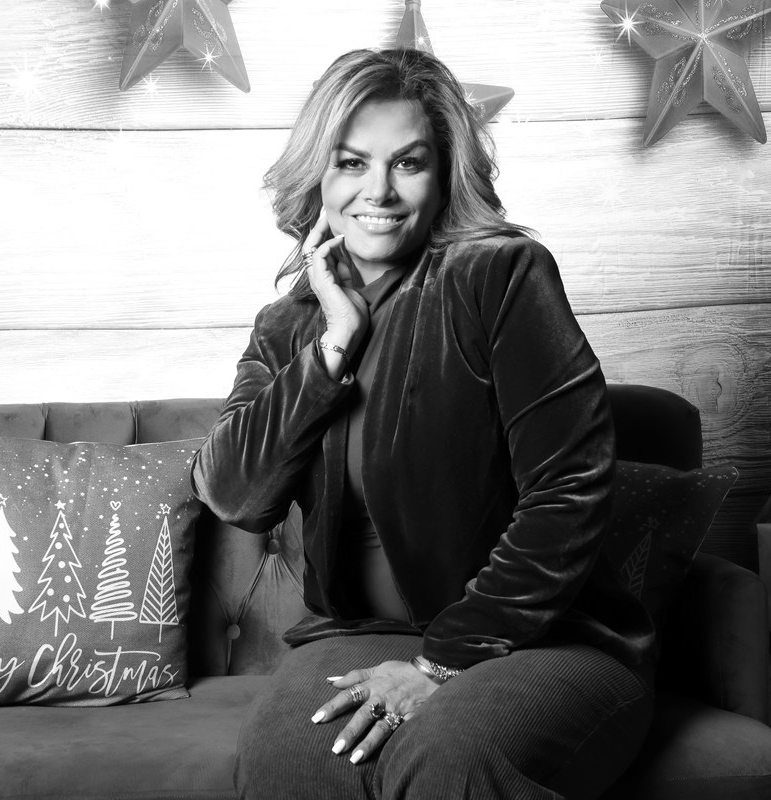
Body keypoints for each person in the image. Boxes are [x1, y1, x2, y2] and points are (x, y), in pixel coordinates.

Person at [190, 47, 655, 800]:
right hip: (357, 636)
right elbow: (234, 494)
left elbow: (569, 490)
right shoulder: (287, 327)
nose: (378, 190)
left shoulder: (500, 275)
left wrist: (443, 662)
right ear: (319, 176)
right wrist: (332, 347)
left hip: (541, 640)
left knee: (446, 760)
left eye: (407, 164)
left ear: (443, 179)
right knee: (293, 763)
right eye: (351, 163)